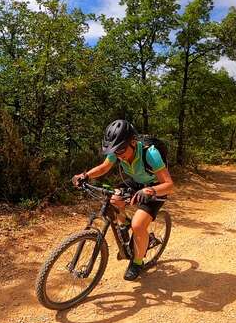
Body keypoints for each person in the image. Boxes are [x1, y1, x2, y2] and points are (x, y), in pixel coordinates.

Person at [72, 119, 174, 281]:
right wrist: (85, 176)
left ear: (133, 142)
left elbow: (169, 184)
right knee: (113, 198)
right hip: (136, 182)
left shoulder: (151, 153)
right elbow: (104, 167)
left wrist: (151, 190)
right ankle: (124, 223)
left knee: (139, 225)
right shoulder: (118, 150)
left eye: (121, 150)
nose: (118, 155)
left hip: (155, 187)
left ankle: (137, 262)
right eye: (115, 151)